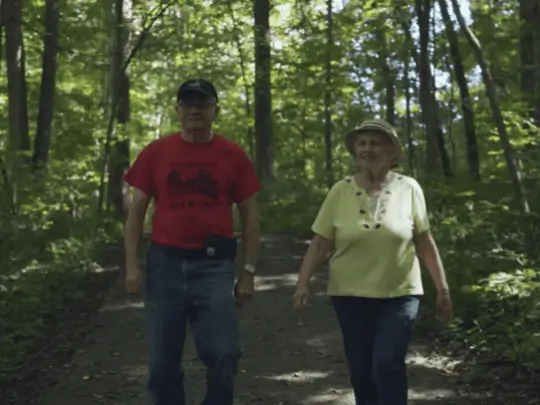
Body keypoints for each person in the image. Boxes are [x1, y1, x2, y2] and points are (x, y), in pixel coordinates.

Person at [293, 119, 452, 405]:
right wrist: (303, 283)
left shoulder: (409, 188)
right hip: (349, 294)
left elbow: (425, 241)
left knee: (387, 363)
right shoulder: (339, 191)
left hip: (399, 293)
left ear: (392, 150)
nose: (367, 149)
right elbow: (320, 243)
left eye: (375, 143)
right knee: (362, 371)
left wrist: (442, 289)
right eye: (362, 143)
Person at [123, 78, 261, 405]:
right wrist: (131, 264)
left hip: (214, 266)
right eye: (188, 104)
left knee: (225, 352)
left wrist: (249, 272)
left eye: (203, 104)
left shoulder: (232, 154)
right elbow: (136, 211)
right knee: (160, 367)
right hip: (164, 265)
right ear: (178, 109)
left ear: (215, 110)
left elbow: (251, 216)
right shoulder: (157, 152)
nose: (195, 110)